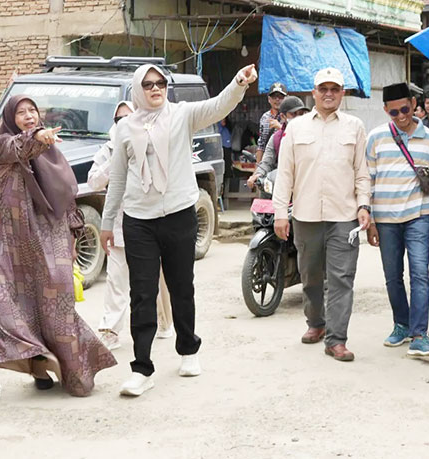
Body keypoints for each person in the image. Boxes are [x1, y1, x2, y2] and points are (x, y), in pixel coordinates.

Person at [101, 63, 257, 396]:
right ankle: (142, 368)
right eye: (148, 84)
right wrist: (106, 223)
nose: (155, 89)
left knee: (181, 287)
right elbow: (117, 178)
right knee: (141, 294)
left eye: (160, 83)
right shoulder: (126, 127)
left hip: (178, 214)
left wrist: (238, 82)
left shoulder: (182, 115)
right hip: (138, 220)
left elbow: (217, 106)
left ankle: (188, 349)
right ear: (137, 89)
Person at [0, 95, 117, 399]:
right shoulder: (2, 144)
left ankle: (42, 369)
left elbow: (66, 199)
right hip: (7, 241)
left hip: (47, 240)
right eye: (21, 113)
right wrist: (38, 136)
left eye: (32, 112)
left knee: (49, 307)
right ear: (11, 118)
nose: (28, 116)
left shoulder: (51, 155)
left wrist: (73, 238)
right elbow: (19, 147)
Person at [272, 68, 371, 362]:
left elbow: (362, 173)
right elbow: (285, 174)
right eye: (323, 89)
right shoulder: (296, 128)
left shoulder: (355, 126)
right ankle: (316, 323)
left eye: (335, 89)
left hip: (344, 217)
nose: (329, 94)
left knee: (342, 279)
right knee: (311, 277)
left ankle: (336, 340)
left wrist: (363, 205)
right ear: (313, 93)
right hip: (305, 216)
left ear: (342, 93)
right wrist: (280, 213)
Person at [365, 82, 429, 358]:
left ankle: (419, 335)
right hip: (385, 219)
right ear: (385, 111)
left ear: (414, 105)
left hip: (419, 217)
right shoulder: (376, 138)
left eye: (405, 109)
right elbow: (368, 180)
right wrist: (371, 220)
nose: (401, 116)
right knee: (392, 277)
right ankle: (401, 324)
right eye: (394, 112)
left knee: (420, 274)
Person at [87, 101, 174, 351]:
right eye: (118, 119)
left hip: (149, 224)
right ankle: (110, 330)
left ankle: (164, 321)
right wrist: (115, 158)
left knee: (154, 279)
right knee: (116, 280)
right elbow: (94, 182)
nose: (123, 123)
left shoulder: (149, 145)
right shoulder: (108, 150)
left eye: (128, 117)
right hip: (117, 226)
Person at [247, 95, 309, 189]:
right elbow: (267, 162)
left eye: (301, 114)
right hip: (283, 185)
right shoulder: (276, 138)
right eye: (293, 114)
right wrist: (258, 174)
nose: (298, 117)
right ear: (283, 116)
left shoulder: (311, 135)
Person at [256, 82, 287, 162]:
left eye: (280, 97)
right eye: (274, 97)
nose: (277, 100)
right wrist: (258, 166)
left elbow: (295, 136)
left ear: (286, 98)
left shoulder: (291, 115)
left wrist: (280, 127)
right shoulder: (265, 117)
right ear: (269, 99)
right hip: (269, 160)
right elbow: (261, 144)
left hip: (286, 159)